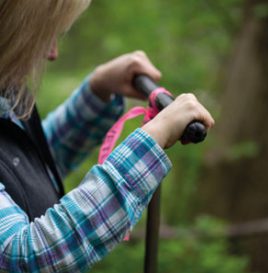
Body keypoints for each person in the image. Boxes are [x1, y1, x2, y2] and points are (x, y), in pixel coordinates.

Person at [0, 1, 214, 272]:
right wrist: (148, 146)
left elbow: (25, 170)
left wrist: (98, 91)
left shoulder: (6, 96)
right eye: (44, 34)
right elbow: (23, 257)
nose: (52, 52)